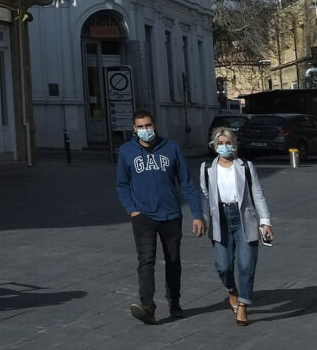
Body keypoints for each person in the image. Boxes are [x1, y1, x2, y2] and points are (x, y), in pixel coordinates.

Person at [115, 108, 198, 324]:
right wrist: (132, 209)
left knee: (173, 260)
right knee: (146, 261)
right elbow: (122, 184)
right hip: (143, 216)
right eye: (140, 127)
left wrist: (197, 214)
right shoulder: (126, 151)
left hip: (171, 214)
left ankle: (175, 301)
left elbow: (187, 182)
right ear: (134, 129)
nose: (145, 130)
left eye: (148, 126)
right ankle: (147, 307)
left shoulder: (170, 147)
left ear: (155, 125)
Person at [195, 125, 273, 325]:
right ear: (214, 145)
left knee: (246, 265)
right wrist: (203, 218)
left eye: (228, 143)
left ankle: (243, 305)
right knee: (223, 266)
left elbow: (257, 193)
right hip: (219, 218)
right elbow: (204, 195)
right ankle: (232, 291)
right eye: (220, 143)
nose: (224, 147)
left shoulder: (245, 166)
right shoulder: (207, 168)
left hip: (243, 218)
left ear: (234, 145)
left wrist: (265, 222)